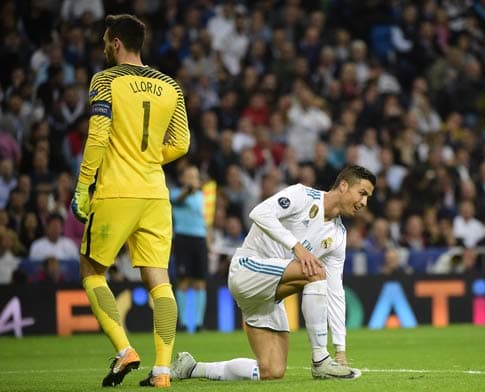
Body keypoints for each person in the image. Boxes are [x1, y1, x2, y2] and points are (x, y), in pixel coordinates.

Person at [70, 14, 190, 388]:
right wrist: (149, 157)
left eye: (107, 40)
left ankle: (125, 351)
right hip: (155, 193)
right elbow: (182, 143)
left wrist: (82, 186)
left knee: (91, 270)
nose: (105, 46)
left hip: (116, 191)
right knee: (160, 281)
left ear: (117, 42)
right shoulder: (171, 86)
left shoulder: (105, 80)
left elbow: (98, 136)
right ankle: (163, 371)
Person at [170, 165, 375, 382]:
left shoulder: (338, 236)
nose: (364, 203)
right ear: (343, 186)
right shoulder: (302, 196)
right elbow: (258, 213)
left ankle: (191, 368)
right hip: (247, 268)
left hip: (268, 296)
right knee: (315, 271)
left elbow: (335, 291)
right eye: (362, 193)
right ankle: (320, 360)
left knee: (271, 371)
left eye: (368, 197)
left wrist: (341, 350)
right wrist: (297, 247)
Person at [170, 165, 209, 333]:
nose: (193, 179)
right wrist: (188, 190)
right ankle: (184, 323)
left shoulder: (202, 197)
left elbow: (206, 219)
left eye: (196, 176)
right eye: (190, 176)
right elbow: (177, 200)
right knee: (184, 281)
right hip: (183, 239)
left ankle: (199, 323)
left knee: (200, 282)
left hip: (200, 239)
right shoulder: (176, 193)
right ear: (182, 179)